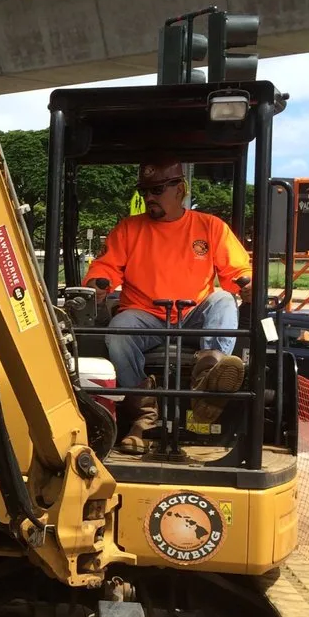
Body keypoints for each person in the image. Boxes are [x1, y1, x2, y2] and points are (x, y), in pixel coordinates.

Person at [83, 157, 253, 453]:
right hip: (145, 315)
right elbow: (106, 267)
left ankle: (208, 383)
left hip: (193, 313)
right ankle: (144, 414)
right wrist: (98, 284)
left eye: (157, 190)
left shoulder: (210, 227)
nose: (149, 197)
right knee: (119, 330)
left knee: (224, 301)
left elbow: (237, 270)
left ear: (180, 189)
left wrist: (247, 284)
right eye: (145, 191)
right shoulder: (129, 229)